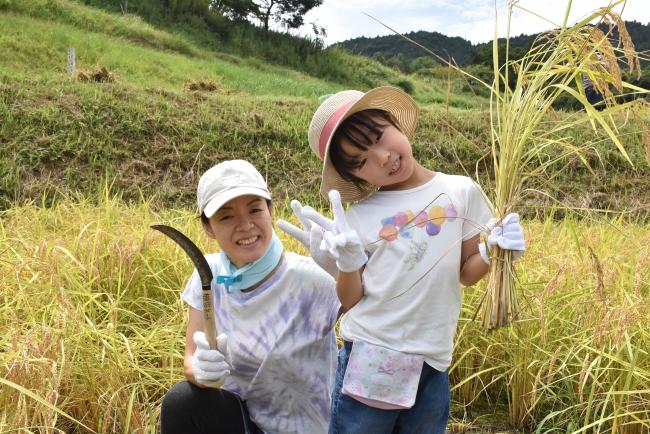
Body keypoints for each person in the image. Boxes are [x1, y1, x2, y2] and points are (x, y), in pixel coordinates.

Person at [293, 87, 526, 434]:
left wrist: (494, 253)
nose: (382, 157)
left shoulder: (461, 191)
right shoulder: (357, 217)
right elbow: (348, 298)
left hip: (432, 360)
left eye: (378, 137)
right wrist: (346, 263)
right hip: (372, 355)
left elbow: (465, 274)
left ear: (394, 122)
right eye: (361, 162)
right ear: (357, 177)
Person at [160, 160, 341, 434]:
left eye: (255, 209)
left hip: (305, 426)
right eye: (227, 216)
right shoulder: (207, 276)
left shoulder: (312, 278)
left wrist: (346, 271)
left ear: (270, 211)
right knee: (182, 402)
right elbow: (191, 358)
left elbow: (374, 311)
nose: (245, 225)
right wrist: (201, 371)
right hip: (241, 422)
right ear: (209, 228)